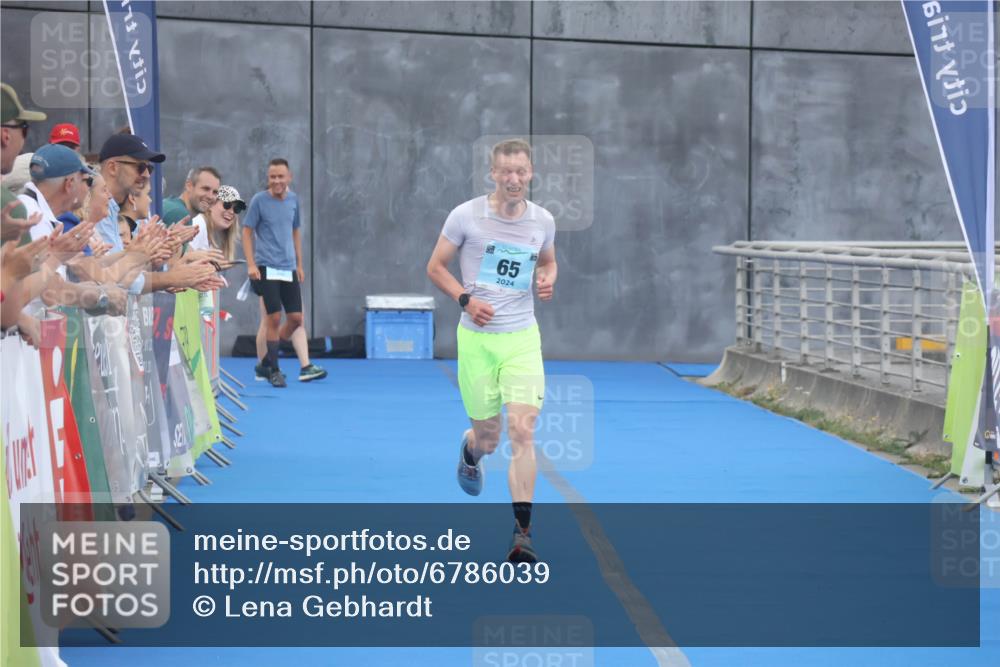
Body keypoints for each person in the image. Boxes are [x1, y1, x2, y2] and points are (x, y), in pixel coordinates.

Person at [426, 139, 557, 563]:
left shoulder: (543, 221)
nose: (514, 179)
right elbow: (434, 267)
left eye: (521, 171)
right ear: (493, 174)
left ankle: (523, 535)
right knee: (489, 437)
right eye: (506, 172)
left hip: (521, 338)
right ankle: (470, 449)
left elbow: (548, 261)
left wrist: (547, 278)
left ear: (531, 172)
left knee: (522, 431)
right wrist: (465, 299)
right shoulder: (465, 216)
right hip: (477, 341)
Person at [242, 158, 326, 386]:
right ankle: (275, 369)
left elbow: (295, 231)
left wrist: (299, 264)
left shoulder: (293, 200)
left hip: (288, 268)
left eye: (281, 176)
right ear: (268, 178)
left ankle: (266, 362)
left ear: (289, 177)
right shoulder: (259, 201)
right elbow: (247, 232)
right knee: (273, 318)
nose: (277, 181)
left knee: (296, 319)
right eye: (272, 177)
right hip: (266, 267)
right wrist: (251, 264)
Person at [1, 82, 44, 243]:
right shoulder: (10, 208)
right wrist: (55, 259)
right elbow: (21, 267)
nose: (23, 142)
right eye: (24, 129)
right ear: (5, 135)